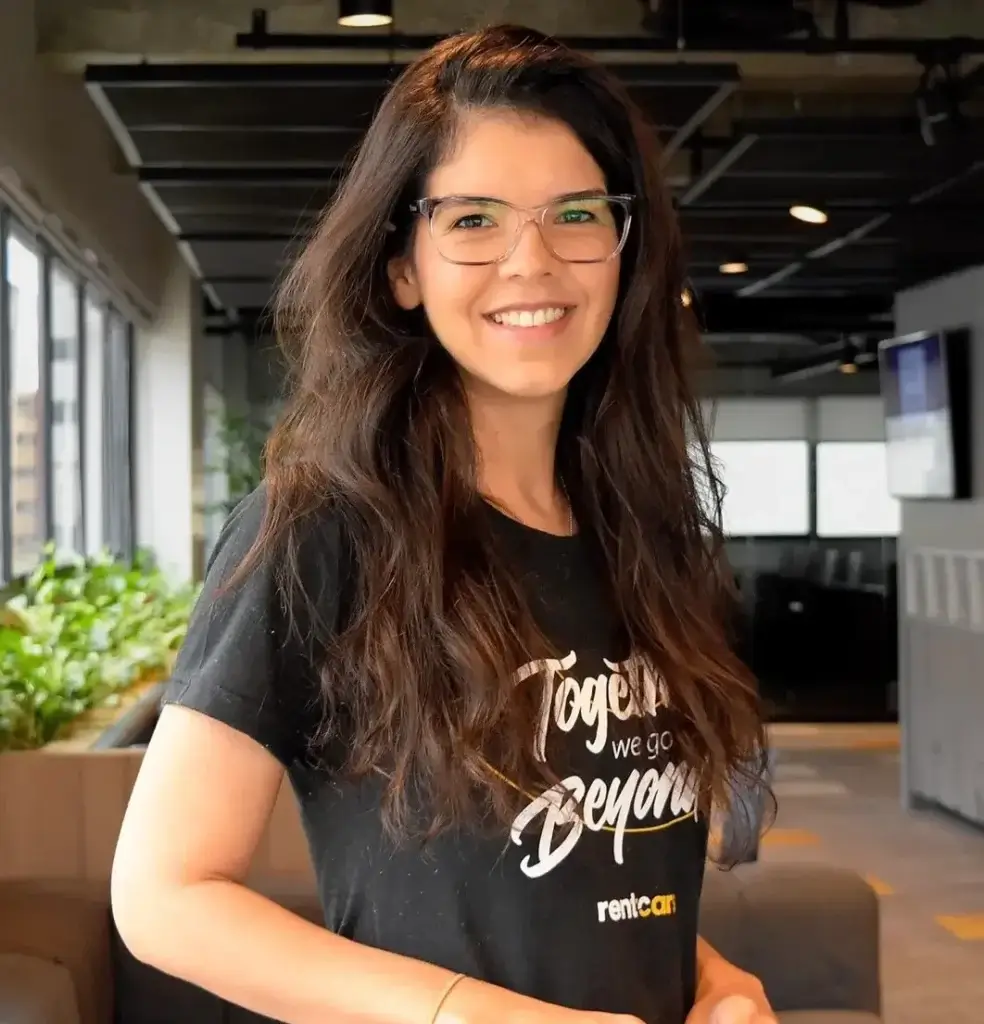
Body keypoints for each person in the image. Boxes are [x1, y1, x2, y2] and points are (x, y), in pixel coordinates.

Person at [111, 24, 776, 1024]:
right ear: (401, 267)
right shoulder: (324, 531)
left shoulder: (646, 534)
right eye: (473, 220)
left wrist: (713, 976)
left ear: (625, 248)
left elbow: (586, 873)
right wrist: (471, 1016)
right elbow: (164, 895)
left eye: (577, 214)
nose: (533, 261)